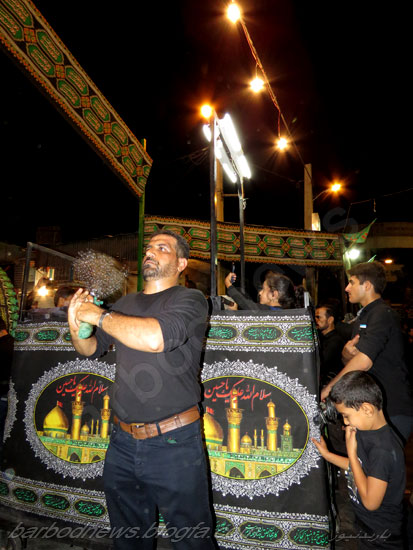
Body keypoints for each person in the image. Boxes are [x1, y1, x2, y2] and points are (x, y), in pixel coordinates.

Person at [68, 230, 217, 550]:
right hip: (121, 442)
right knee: (128, 540)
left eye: (162, 248)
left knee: (192, 541)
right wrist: (76, 326)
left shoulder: (190, 300)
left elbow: (155, 339)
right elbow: (90, 349)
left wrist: (99, 315)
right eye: (149, 247)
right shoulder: (126, 303)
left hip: (174, 442)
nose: (150, 252)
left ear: (181, 263)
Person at [321, 261, 413, 443]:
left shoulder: (382, 314)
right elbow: (355, 362)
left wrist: (330, 388)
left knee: (382, 461)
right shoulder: (363, 317)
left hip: (391, 408)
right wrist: (346, 355)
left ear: (367, 285)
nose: (347, 288)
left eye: (352, 282)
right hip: (370, 408)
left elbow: (364, 362)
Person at [313, 371, 405, 549]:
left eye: (346, 415)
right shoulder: (365, 431)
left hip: (382, 537)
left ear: (367, 409)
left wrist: (352, 453)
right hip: (366, 526)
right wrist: (327, 455)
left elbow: (370, 503)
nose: (345, 422)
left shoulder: (383, 451)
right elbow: (360, 468)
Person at [224, 270, 304, 310]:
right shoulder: (287, 313)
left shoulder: (266, 310)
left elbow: (245, 303)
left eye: (263, 289)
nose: (260, 293)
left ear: (274, 295)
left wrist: (228, 283)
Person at [315, 304, 346, 387]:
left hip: (332, 384)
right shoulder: (320, 337)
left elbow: (321, 363)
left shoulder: (336, 340)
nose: (315, 320)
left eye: (318, 317)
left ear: (330, 320)